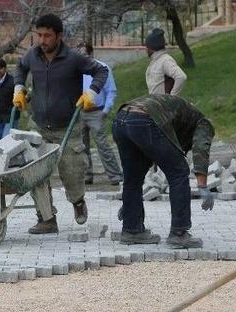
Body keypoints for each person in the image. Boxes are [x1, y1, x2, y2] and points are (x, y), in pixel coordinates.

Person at [13, 13, 109, 234]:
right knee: (35, 174)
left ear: (59, 36)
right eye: (39, 35)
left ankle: (78, 201)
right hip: (39, 126)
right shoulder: (32, 56)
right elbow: (20, 68)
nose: (42, 40)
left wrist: (91, 91)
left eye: (47, 36)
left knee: (72, 171)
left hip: (68, 125)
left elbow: (100, 70)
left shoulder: (73, 58)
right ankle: (46, 219)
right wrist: (19, 88)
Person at [112, 94, 215, 249]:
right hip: (144, 119)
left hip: (121, 119)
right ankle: (179, 234)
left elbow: (148, 157)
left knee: (133, 177)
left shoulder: (175, 116)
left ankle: (132, 229)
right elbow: (201, 149)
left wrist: (130, 206)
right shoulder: (202, 123)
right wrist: (203, 186)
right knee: (179, 172)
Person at [75, 42, 122, 186]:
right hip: (79, 112)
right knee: (81, 147)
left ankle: (115, 176)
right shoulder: (76, 70)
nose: (82, 57)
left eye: (85, 54)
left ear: (91, 54)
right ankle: (86, 176)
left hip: (97, 112)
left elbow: (111, 91)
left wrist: (106, 110)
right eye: (80, 54)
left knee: (103, 145)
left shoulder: (102, 68)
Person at [144, 28, 187, 96]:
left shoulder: (165, 60)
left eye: (147, 47)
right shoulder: (155, 62)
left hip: (163, 104)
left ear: (152, 48)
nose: (146, 50)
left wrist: (171, 98)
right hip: (155, 103)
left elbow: (181, 77)